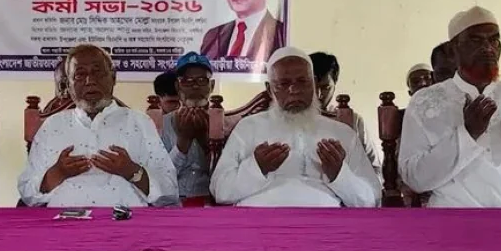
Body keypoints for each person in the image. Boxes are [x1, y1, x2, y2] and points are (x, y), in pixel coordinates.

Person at [16, 44, 178, 251]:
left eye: (97, 72)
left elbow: (169, 191)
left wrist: (132, 171)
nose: (89, 81)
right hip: (63, 237)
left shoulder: (139, 123)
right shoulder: (52, 126)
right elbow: (27, 192)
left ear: (113, 78)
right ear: (68, 85)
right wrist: (56, 174)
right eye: (80, 75)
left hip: (125, 236)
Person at [211, 47, 379, 207]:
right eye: (284, 83)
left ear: (314, 84)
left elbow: (371, 200)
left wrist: (340, 174)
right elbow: (220, 191)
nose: (294, 90)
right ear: (270, 89)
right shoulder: (247, 128)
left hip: (324, 223)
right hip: (259, 221)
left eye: (302, 81)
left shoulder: (342, 133)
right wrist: (256, 168)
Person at [400, 6, 501, 207]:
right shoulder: (424, 102)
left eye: (494, 40)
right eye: (476, 40)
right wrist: (467, 134)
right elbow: (414, 178)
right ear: (452, 49)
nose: (488, 48)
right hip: (452, 217)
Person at [310, 52, 381, 178]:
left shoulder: (353, 120)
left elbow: (374, 168)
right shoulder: (292, 119)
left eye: (326, 87)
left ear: (335, 85)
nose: (319, 94)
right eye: (313, 87)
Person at [161, 53, 215, 207]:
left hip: (212, 204)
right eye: (187, 81)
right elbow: (159, 178)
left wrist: (205, 142)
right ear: (178, 87)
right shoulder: (161, 125)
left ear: (211, 86)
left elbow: (225, 178)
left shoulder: (224, 124)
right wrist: (182, 142)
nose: (195, 86)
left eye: (202, 80)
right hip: (172, 204)